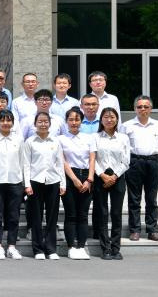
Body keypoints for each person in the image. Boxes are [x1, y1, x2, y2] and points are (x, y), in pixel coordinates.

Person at [21, 111, 66, 261]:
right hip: (35, 182)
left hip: (53, 181)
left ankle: (51, 249)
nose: (43, 124)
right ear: (35, 124)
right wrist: (27, 184)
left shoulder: (55, 141)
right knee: (36, 217)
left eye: (46, 121)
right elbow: (26, 164)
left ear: (50, 124)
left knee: (52, 217)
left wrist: (63, 183)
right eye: (40, 121)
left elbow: (59, 163)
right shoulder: (30, 142)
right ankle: (38, 249)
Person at [0, 110, 24, 260]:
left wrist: (24, 182)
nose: (6, 123)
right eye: (2, 120)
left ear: (13, 122)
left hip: (15, 181)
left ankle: (12, 246)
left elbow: (22, 161)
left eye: (9, 120)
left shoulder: (19, 139)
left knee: (13, 215)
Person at [60, 105, 97, 260]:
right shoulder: (61, 139)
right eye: (71, 119)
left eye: (77, 119)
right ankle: (71, 247)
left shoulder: (89, 138)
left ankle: (81, 246)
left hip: (87, 176)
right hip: (69, 177)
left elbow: (92, 159)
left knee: (83, 214)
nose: (74, 122)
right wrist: (74, 179)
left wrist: (89, 179)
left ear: (81, 121)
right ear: (66, 121)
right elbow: (62, 161)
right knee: (71, 214)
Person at [93, 107, 129, 260]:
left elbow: (126, 161)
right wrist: (102, 175)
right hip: (100, 177)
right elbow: (92, 159)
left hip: (118, 177)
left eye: (112, 117)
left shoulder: (123, 138)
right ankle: (105, 248)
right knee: (102, 213)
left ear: (117, 119)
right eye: (106, 117)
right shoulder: (95, 137)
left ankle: (116, 248)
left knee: (116, 213)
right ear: (101, 120)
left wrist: (114, 176)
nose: (109, 119)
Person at [121, 95, 158, 241]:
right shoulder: (127, 126)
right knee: (134, 198)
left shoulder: (156, 125)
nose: (143, 109)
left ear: (151, 109)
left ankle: (152, 229)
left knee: (151, 198)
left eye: (146, 106)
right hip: (135, 162)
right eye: (139, 106)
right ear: (135, 109)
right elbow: (122, 146)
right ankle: (135, 230)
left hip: (153, 162)